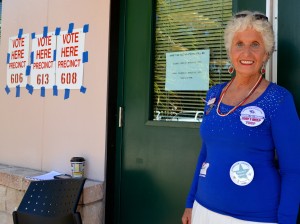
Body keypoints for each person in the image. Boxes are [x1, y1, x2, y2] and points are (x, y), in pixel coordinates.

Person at [182, 10, 300, 224]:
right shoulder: (214, 94)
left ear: (265, 53)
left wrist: (287, 221)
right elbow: (206, 154)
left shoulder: (279, 99)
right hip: (203, 209)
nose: (246, 52)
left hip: (255, 218)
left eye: (255, 44)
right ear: (230, 50)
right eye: (239, 44)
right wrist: (190, 203)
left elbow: (293, 170)